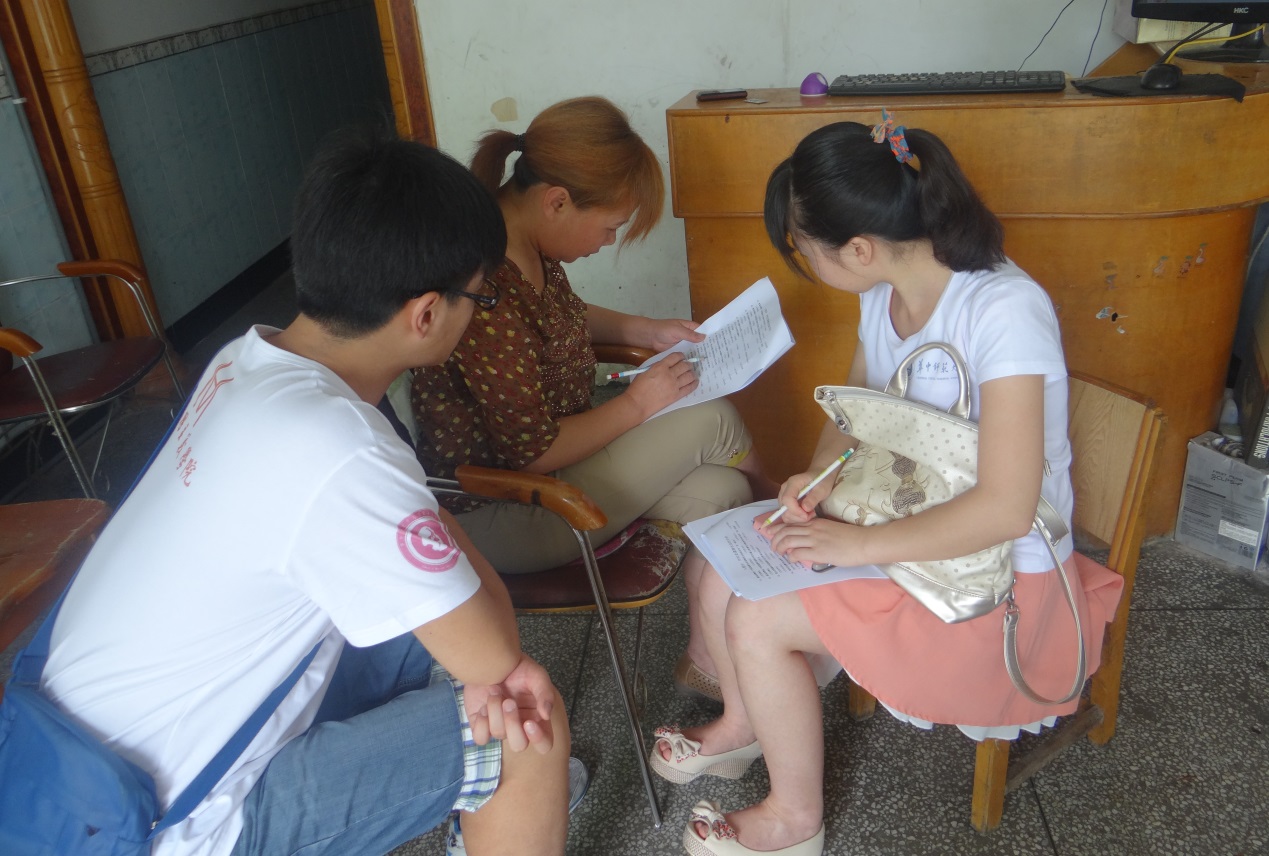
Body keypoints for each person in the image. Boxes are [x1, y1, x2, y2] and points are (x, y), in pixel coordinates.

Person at [40, 130, 572, 856]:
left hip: (70, 764)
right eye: (478, 297)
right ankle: (510, 790)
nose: (479, 312)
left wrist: (473, 648)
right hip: (164, 824)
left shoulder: (244, 358)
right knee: (526, 726)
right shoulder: (340, 447)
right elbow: (492, 653)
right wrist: (491, 667)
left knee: (421, 637)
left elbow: (413, 543)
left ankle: (484, 806)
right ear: (425, 315)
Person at [648, 116, 1125, 855]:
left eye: (805, 249)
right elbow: (856, 413)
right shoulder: (884, 292)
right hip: (901, 521)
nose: (806, 262)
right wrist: (816, 478)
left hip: (993, 579)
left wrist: (851, 546)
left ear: (859, 248)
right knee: (717, 572)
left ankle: (794, 819)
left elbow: (1005, 509)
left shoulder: (1003, 310)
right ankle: (743, 728)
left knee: (755, 620)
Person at [411, 96, 775, 702]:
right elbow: (533, 454)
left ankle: (706, 658)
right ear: (556, 201)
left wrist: (643, 330)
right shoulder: (485, 282)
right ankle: (791, 536)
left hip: (559, 473)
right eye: (609, 227)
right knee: (715, 419)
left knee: (722, 490)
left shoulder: (525, 243)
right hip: (504, 508)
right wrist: (639, 403)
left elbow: (563, 316)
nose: (609, 242)